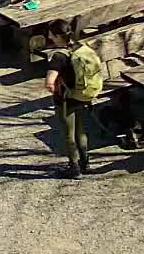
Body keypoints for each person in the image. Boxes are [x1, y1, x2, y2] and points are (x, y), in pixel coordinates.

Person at [44, 19, 106, 178]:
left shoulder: (59, 56)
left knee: (68, 134)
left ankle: (74, 168)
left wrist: (55, 89)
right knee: (80, 130)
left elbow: (49, 83)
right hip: (83, 95)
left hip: (66, 100)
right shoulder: (82, 47)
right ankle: (86, 163)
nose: (49, 37)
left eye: (51, 34)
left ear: (57, 35)